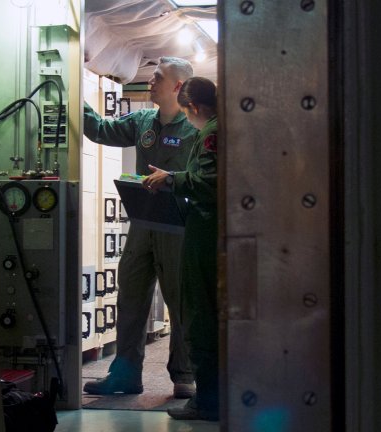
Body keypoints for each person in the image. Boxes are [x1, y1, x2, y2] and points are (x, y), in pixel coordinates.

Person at [82, 57, 198, 399]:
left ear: (177, 86)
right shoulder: (143, 121)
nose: (150, 81)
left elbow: (207, 176)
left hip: (177, 226)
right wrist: (75, 97)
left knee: (180, 303)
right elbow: (102, 130)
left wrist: (173, 179)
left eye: (158, 77)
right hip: (142, 222)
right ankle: (126, 375)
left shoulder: (195, 129)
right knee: (130, 297)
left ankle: (184, 375)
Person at [143, 76, 219, 421]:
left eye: (188, 113)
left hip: (205, 234)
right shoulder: (220, 128)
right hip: (210, 231)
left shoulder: (210, 133)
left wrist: (170, 179)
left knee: (199, 312)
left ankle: (207, 401)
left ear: (194, 108)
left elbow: (208, 182)